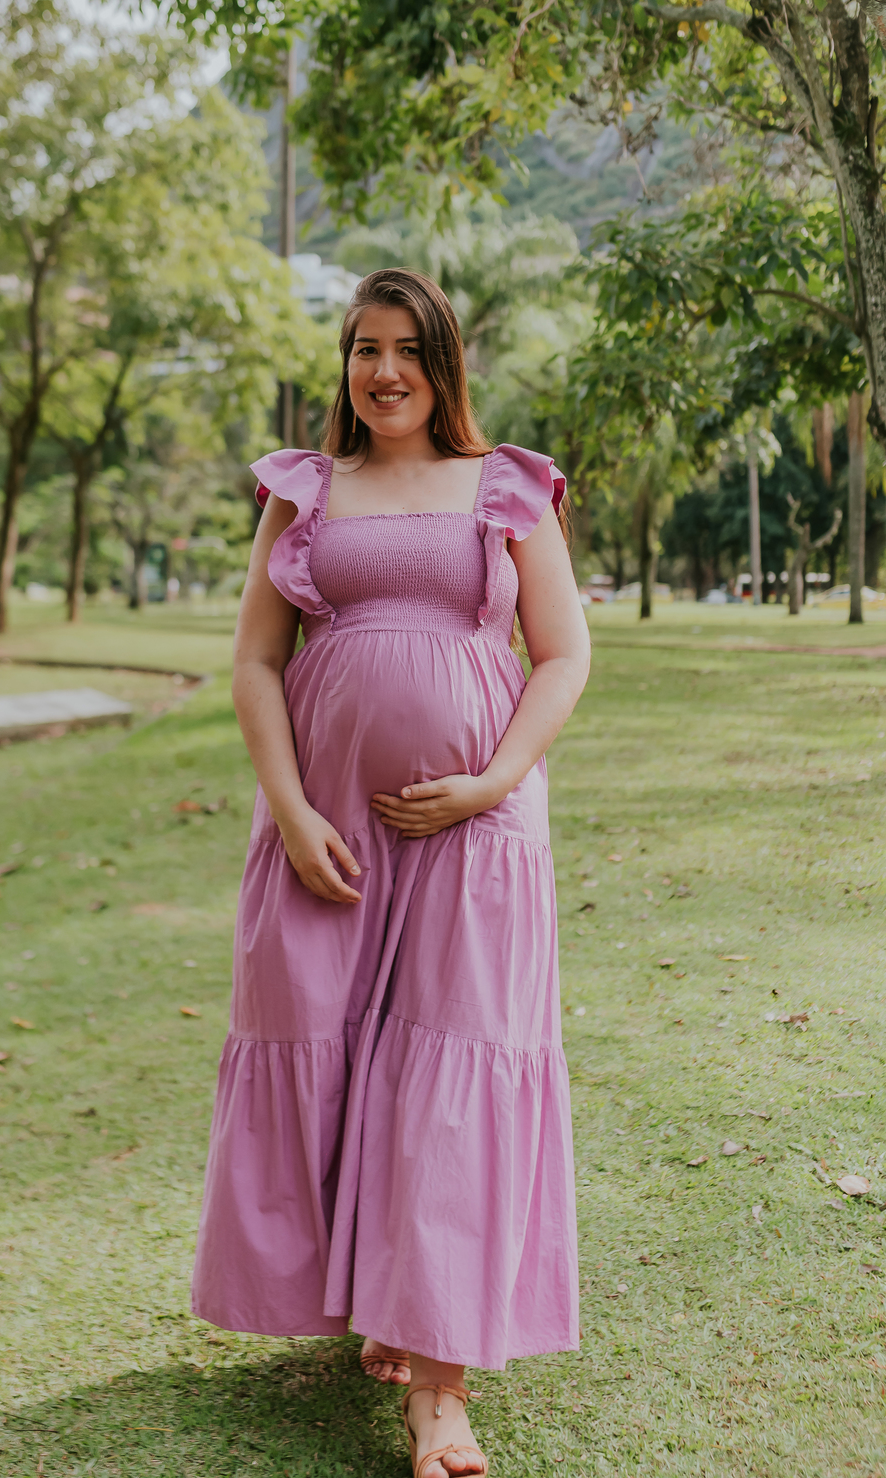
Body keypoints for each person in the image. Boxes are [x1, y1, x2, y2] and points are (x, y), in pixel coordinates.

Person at [192, 267, 590, 1478]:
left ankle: (441, 1399)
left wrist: (493, 780)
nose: (384, 371)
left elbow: (563, 656)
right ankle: (377, 1302)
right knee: (334, 1063)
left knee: (448, 1075)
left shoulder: (510, 487)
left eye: (408, 348)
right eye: (365, 348)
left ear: (445, 361)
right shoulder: (305, 492)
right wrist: (292, 808)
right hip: (331, 844)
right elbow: (258, 663)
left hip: (474, 838)